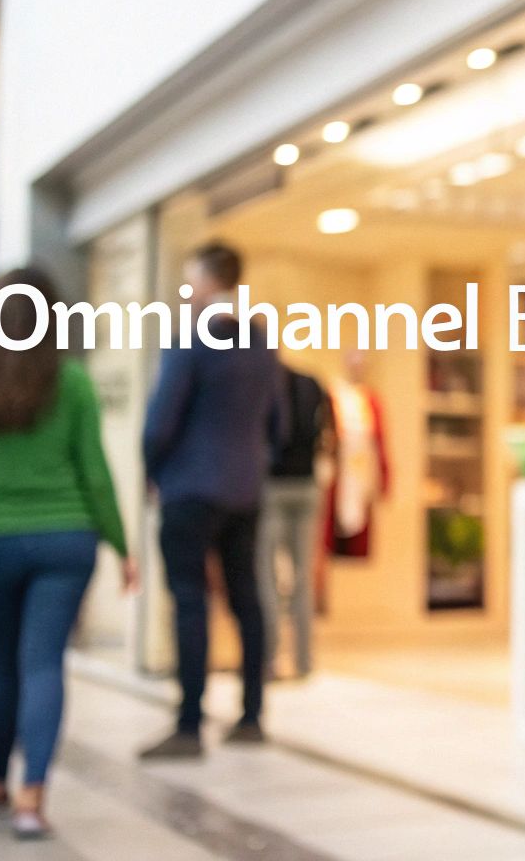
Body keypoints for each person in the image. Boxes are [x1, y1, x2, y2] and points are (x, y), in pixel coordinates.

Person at [0, 268, 137, 840]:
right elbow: (95, 474)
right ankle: (31, 798)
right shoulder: (71, 382)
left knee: (8, 665)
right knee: (44, 663)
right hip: (67, 539)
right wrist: (122, 544)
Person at [139, 241, 283, 759]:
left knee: (190, 600)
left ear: (207, 280)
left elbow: (160, 422)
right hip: (245, 490)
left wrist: (152, 471)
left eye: (190, 279)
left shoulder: (191, 339)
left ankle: (188, 725)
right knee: (247, 598)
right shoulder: (262, 343)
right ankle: (251, 715)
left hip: (190, 489)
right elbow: (278, 424)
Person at [258, 362, 331, 679]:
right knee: (302, 578)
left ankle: (271, 658)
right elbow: (327, 434)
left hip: (273, 486)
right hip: (307, 484)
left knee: (268, 575)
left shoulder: (265, 381)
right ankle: (303, 660)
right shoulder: (312, 383)